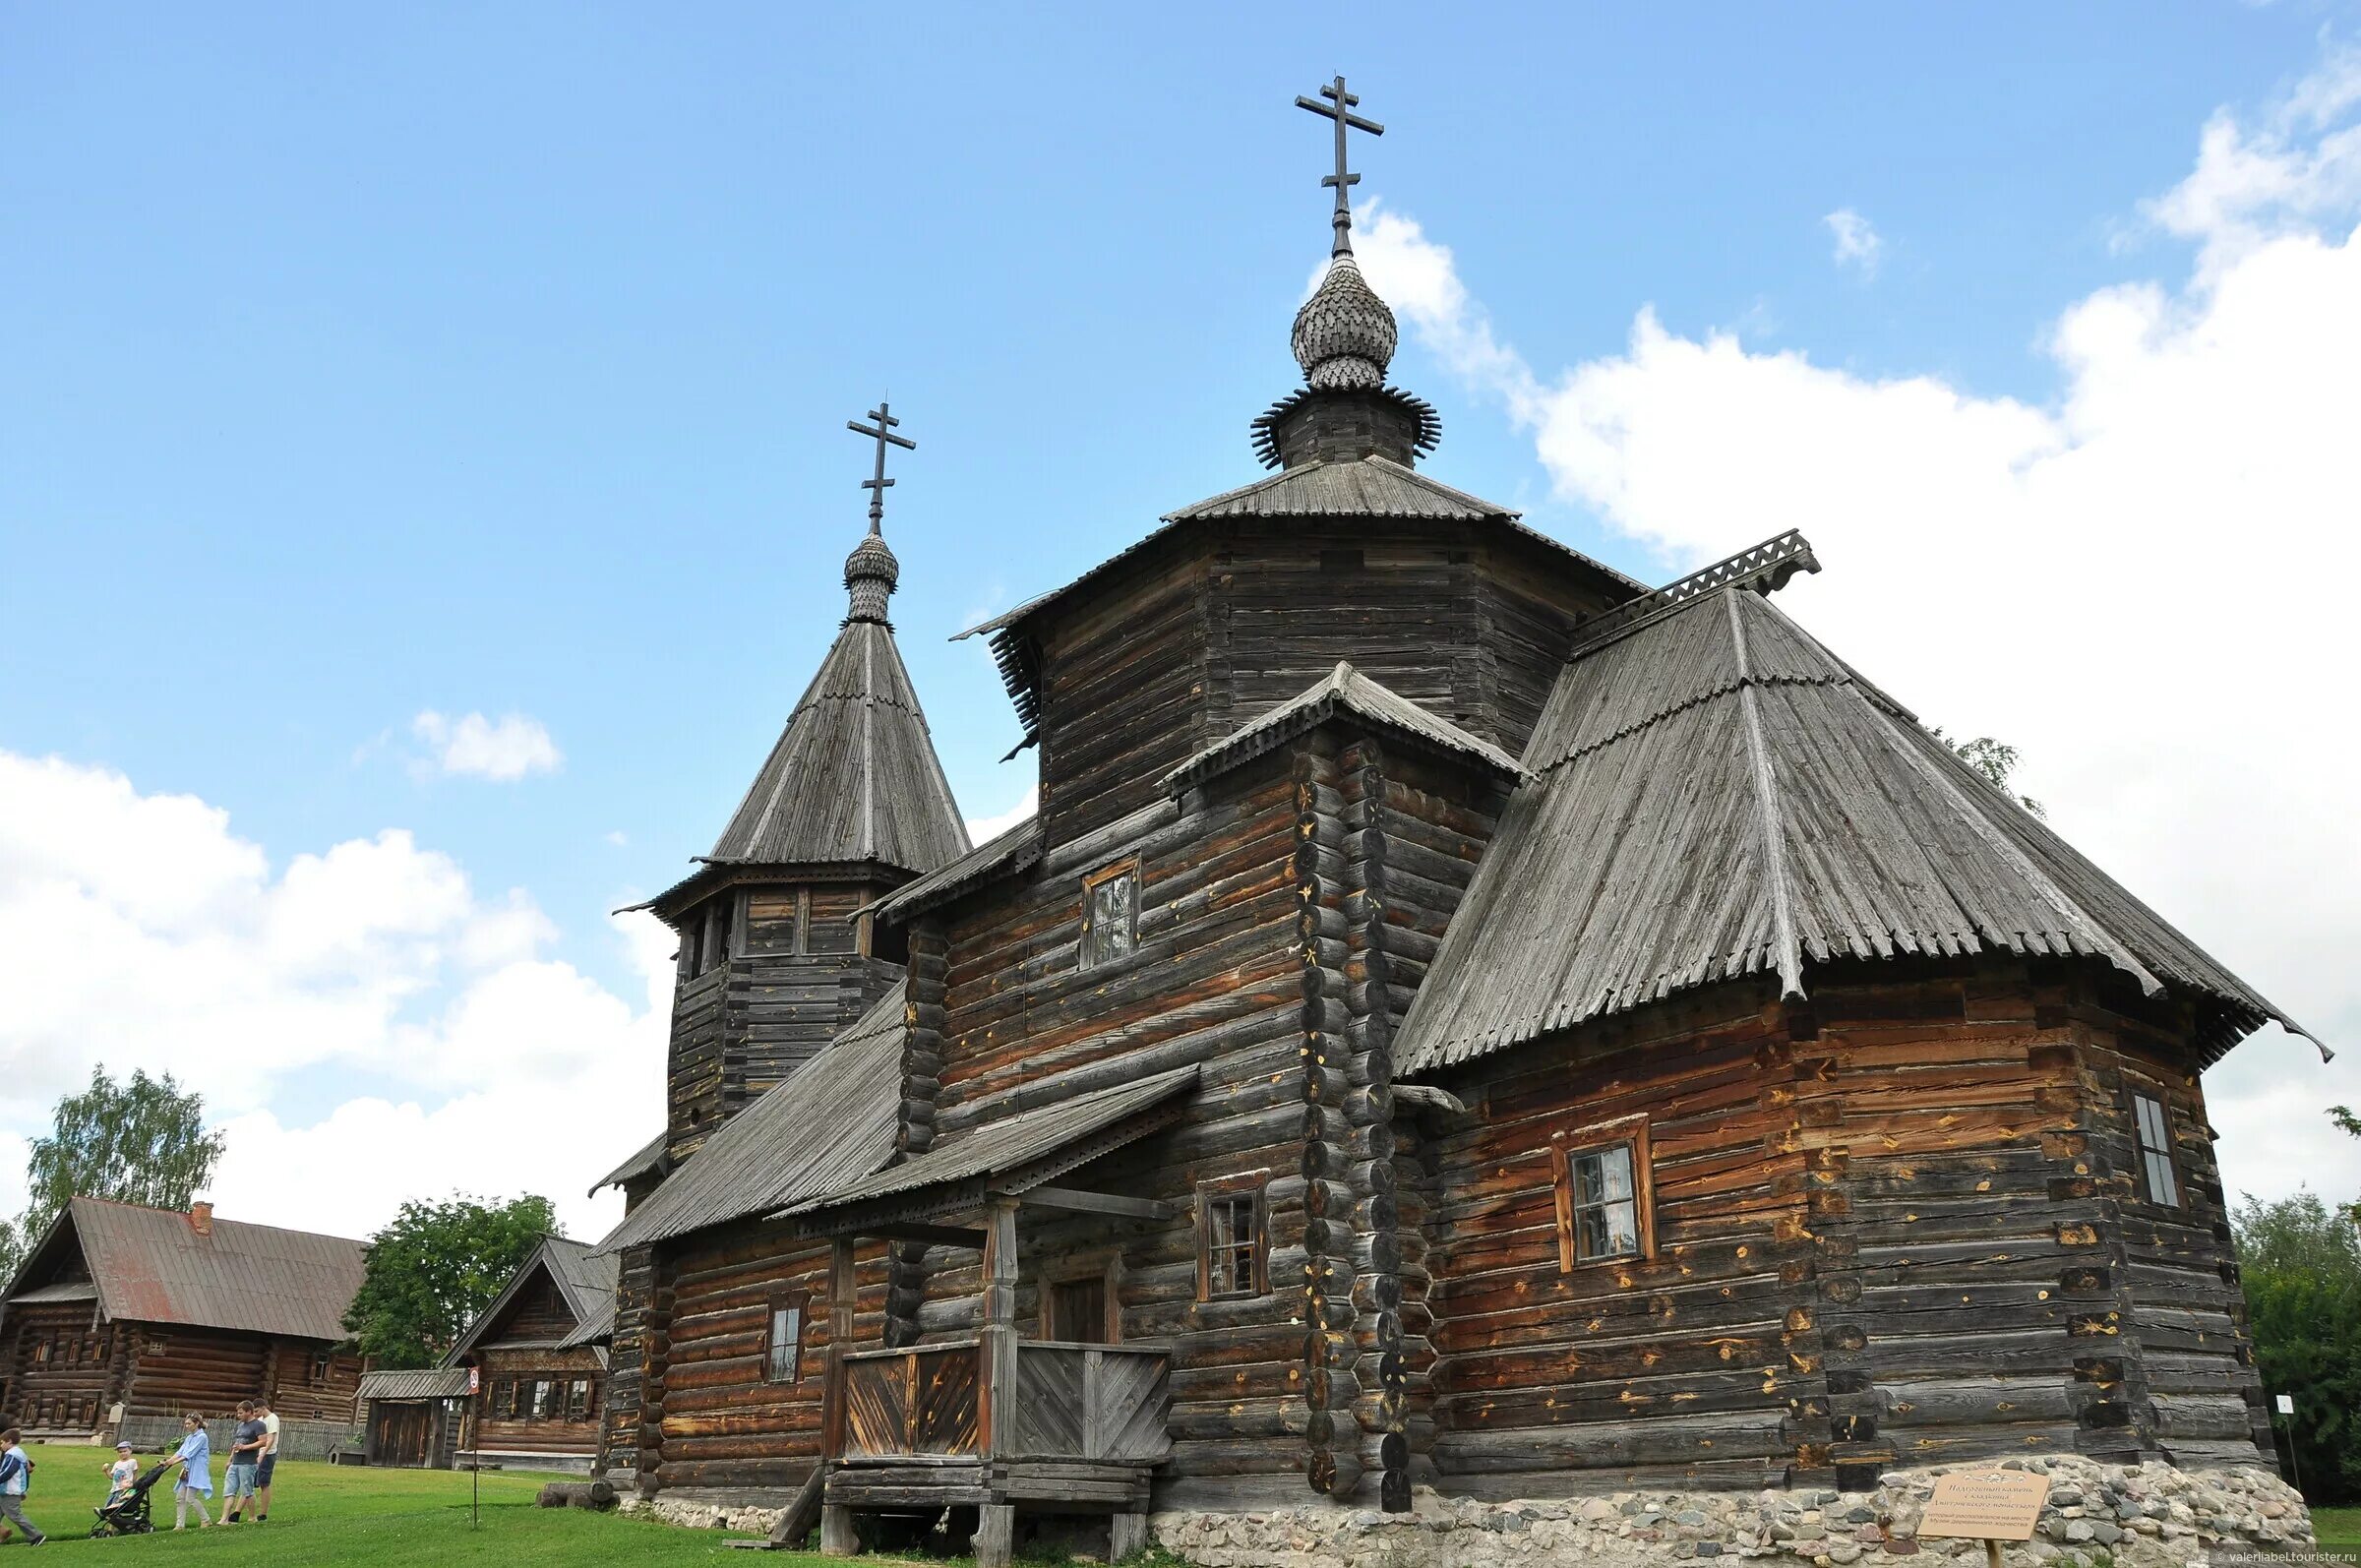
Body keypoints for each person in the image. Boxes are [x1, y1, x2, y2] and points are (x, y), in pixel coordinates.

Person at [220, 1401, 265, 1524]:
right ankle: (224, 1519)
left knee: (247, 1491)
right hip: (235, 1462)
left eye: (240, 1413)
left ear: (249, 1411)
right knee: (229, 1490)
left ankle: (252, 1517)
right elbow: (237, 1444)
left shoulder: (258, 1425)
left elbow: (263, 1442)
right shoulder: (240, 1425)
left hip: (248, 1463)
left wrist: (245, 1447)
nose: (238, 1415)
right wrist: (230, 1459)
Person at [168, 1413, 214, 1530]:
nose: (186, 1426)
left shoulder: (202, 1437)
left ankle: (206, 1520)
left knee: (190, 1498)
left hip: (197, 1471)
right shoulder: (189, 1438)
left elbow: (189, 1454)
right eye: (185, 1423)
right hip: (187, 1471)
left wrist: (173, 1463)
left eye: (189, 1423)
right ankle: (180, 1525)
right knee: (180, 1498)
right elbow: (180, 1451)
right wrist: (168, 1461)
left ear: (196, 1423)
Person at [0, 1427, 41, 1545]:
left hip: (10, 1491)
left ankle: (36, 1536)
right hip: (5, 1490)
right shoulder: (14, 1453)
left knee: (15, 1515)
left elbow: (7, 1472)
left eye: (2, 1443)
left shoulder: (13, 1455)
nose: (1, 1446)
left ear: (9, 1441)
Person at [252, 1395, 280, 1523]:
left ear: (264, 1408)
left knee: (264, 1484)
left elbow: (271, 1438)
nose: (255, 1414)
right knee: (251, 1482)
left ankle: (263, 1514)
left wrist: (263, 1453)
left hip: (268, 1454)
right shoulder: (262, 1419)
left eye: (257, 1411)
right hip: (259, 1453)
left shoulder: (272, 1419)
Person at [101, 1443, 138, 1509]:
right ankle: (105, 1514)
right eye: (120, 1452)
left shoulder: (132, 1461)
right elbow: (112, 1477)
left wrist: (134, 1485)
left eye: (125, 1451)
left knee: (114, 1506)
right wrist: (106, 1471)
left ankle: (111, 1517)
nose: (122, 1453)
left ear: (130, 1451)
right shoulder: (117, 1463)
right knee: (107, 1504)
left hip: (123, 1489)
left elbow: (135, 1473)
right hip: (114, 1489)